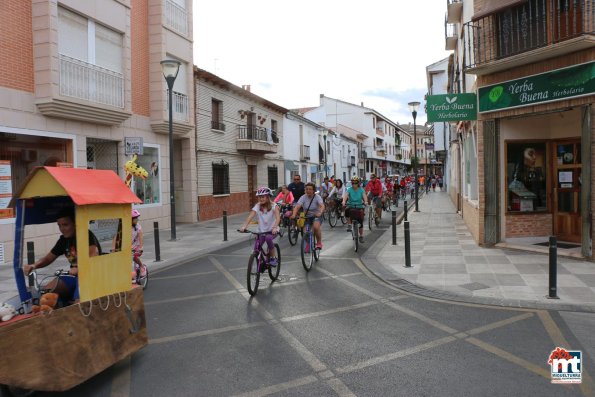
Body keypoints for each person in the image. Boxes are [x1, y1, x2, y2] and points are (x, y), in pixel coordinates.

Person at [23, 208, 100, 304]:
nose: (62, 229)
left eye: (65, 225)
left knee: (79, 303)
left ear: (76, 223)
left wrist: (79, 268)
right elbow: (48, 258)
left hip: (90, 276)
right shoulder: (63, 240)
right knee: (46, 294)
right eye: (59, 225)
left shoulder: (86, 235)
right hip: (74, 277)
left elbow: (93, 255)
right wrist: (34, 265)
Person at [239, 187, 281, 266]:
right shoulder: (258, 206)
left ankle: (273, 257)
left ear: (268, 197)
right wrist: (244, 226)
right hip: (261, 231)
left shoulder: (274, 206)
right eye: (259, 197)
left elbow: (278, 218)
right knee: (256, 248)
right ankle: (260, 263)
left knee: (268, 238)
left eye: (263, 197)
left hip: (271, 230)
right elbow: (250, 216)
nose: (261, 199)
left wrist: (275, 227)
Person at [291, 182, 325, 249]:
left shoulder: (317, 197)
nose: (308, 191)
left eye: (310, 189)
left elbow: (322, 206)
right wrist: (294, 214)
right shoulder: (303, 197)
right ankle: (308, 243)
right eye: (307, 189)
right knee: (305, 231)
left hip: (316, 216)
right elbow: (297, 207)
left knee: (315, 227)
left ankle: (319, 243)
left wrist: (320, 212)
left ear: (313, 190)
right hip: (307, 216)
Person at [343, 176, 368, 243]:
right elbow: (346, 195)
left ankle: (361, 236)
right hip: (351, 205)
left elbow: (364, 196)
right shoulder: (349, 189)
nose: (354, 184)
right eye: (353, 183)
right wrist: (344, 201)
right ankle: (349, 224)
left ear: (358, 183)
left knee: (360, 221)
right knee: (346, 210)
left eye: (355, 183)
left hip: (359, 206)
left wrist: (365, 201)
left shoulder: (361, 189)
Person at [131, 209, 146, 280]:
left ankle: (141, 266)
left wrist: (141, 247)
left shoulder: (138, 227)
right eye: (135, 218)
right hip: (128, 247)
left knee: (134, 257)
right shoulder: (125, 226)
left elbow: (141, 238)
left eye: (137, 218)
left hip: (136, 247)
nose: (137, 220)